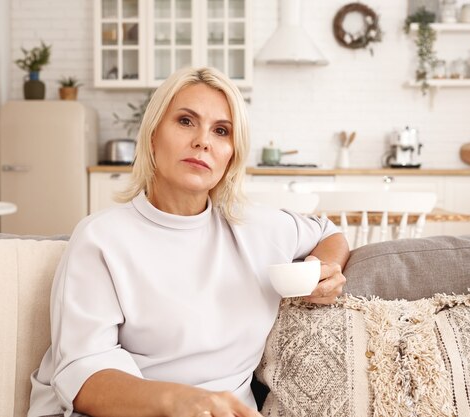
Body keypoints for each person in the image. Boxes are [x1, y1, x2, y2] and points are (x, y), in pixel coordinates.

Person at [27, 66, 349, 417]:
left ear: (231, 156)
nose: (203, 141)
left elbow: (328, 232)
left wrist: (324, 268)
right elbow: (82, 375)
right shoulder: (102, 238)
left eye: (221, 131)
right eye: (185, 121)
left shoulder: (256, 228)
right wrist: (180, 401)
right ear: (152, 136)